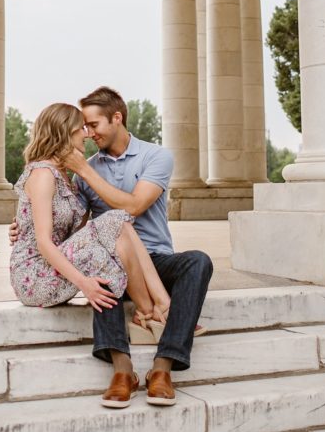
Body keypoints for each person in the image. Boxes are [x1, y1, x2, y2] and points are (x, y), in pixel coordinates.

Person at [11, 88, 213, 409]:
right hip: (115, 259)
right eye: (83, 128)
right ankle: (124, 367)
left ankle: (163, 366)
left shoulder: (154, 156)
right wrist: (27, 229)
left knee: (199, 261)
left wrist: (84, 173)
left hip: (154, 259)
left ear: (116, 118)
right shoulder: (71, 172)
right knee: (105, 261)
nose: (89, 134)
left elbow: (133, 206)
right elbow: (76, 230)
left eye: (93, 125)